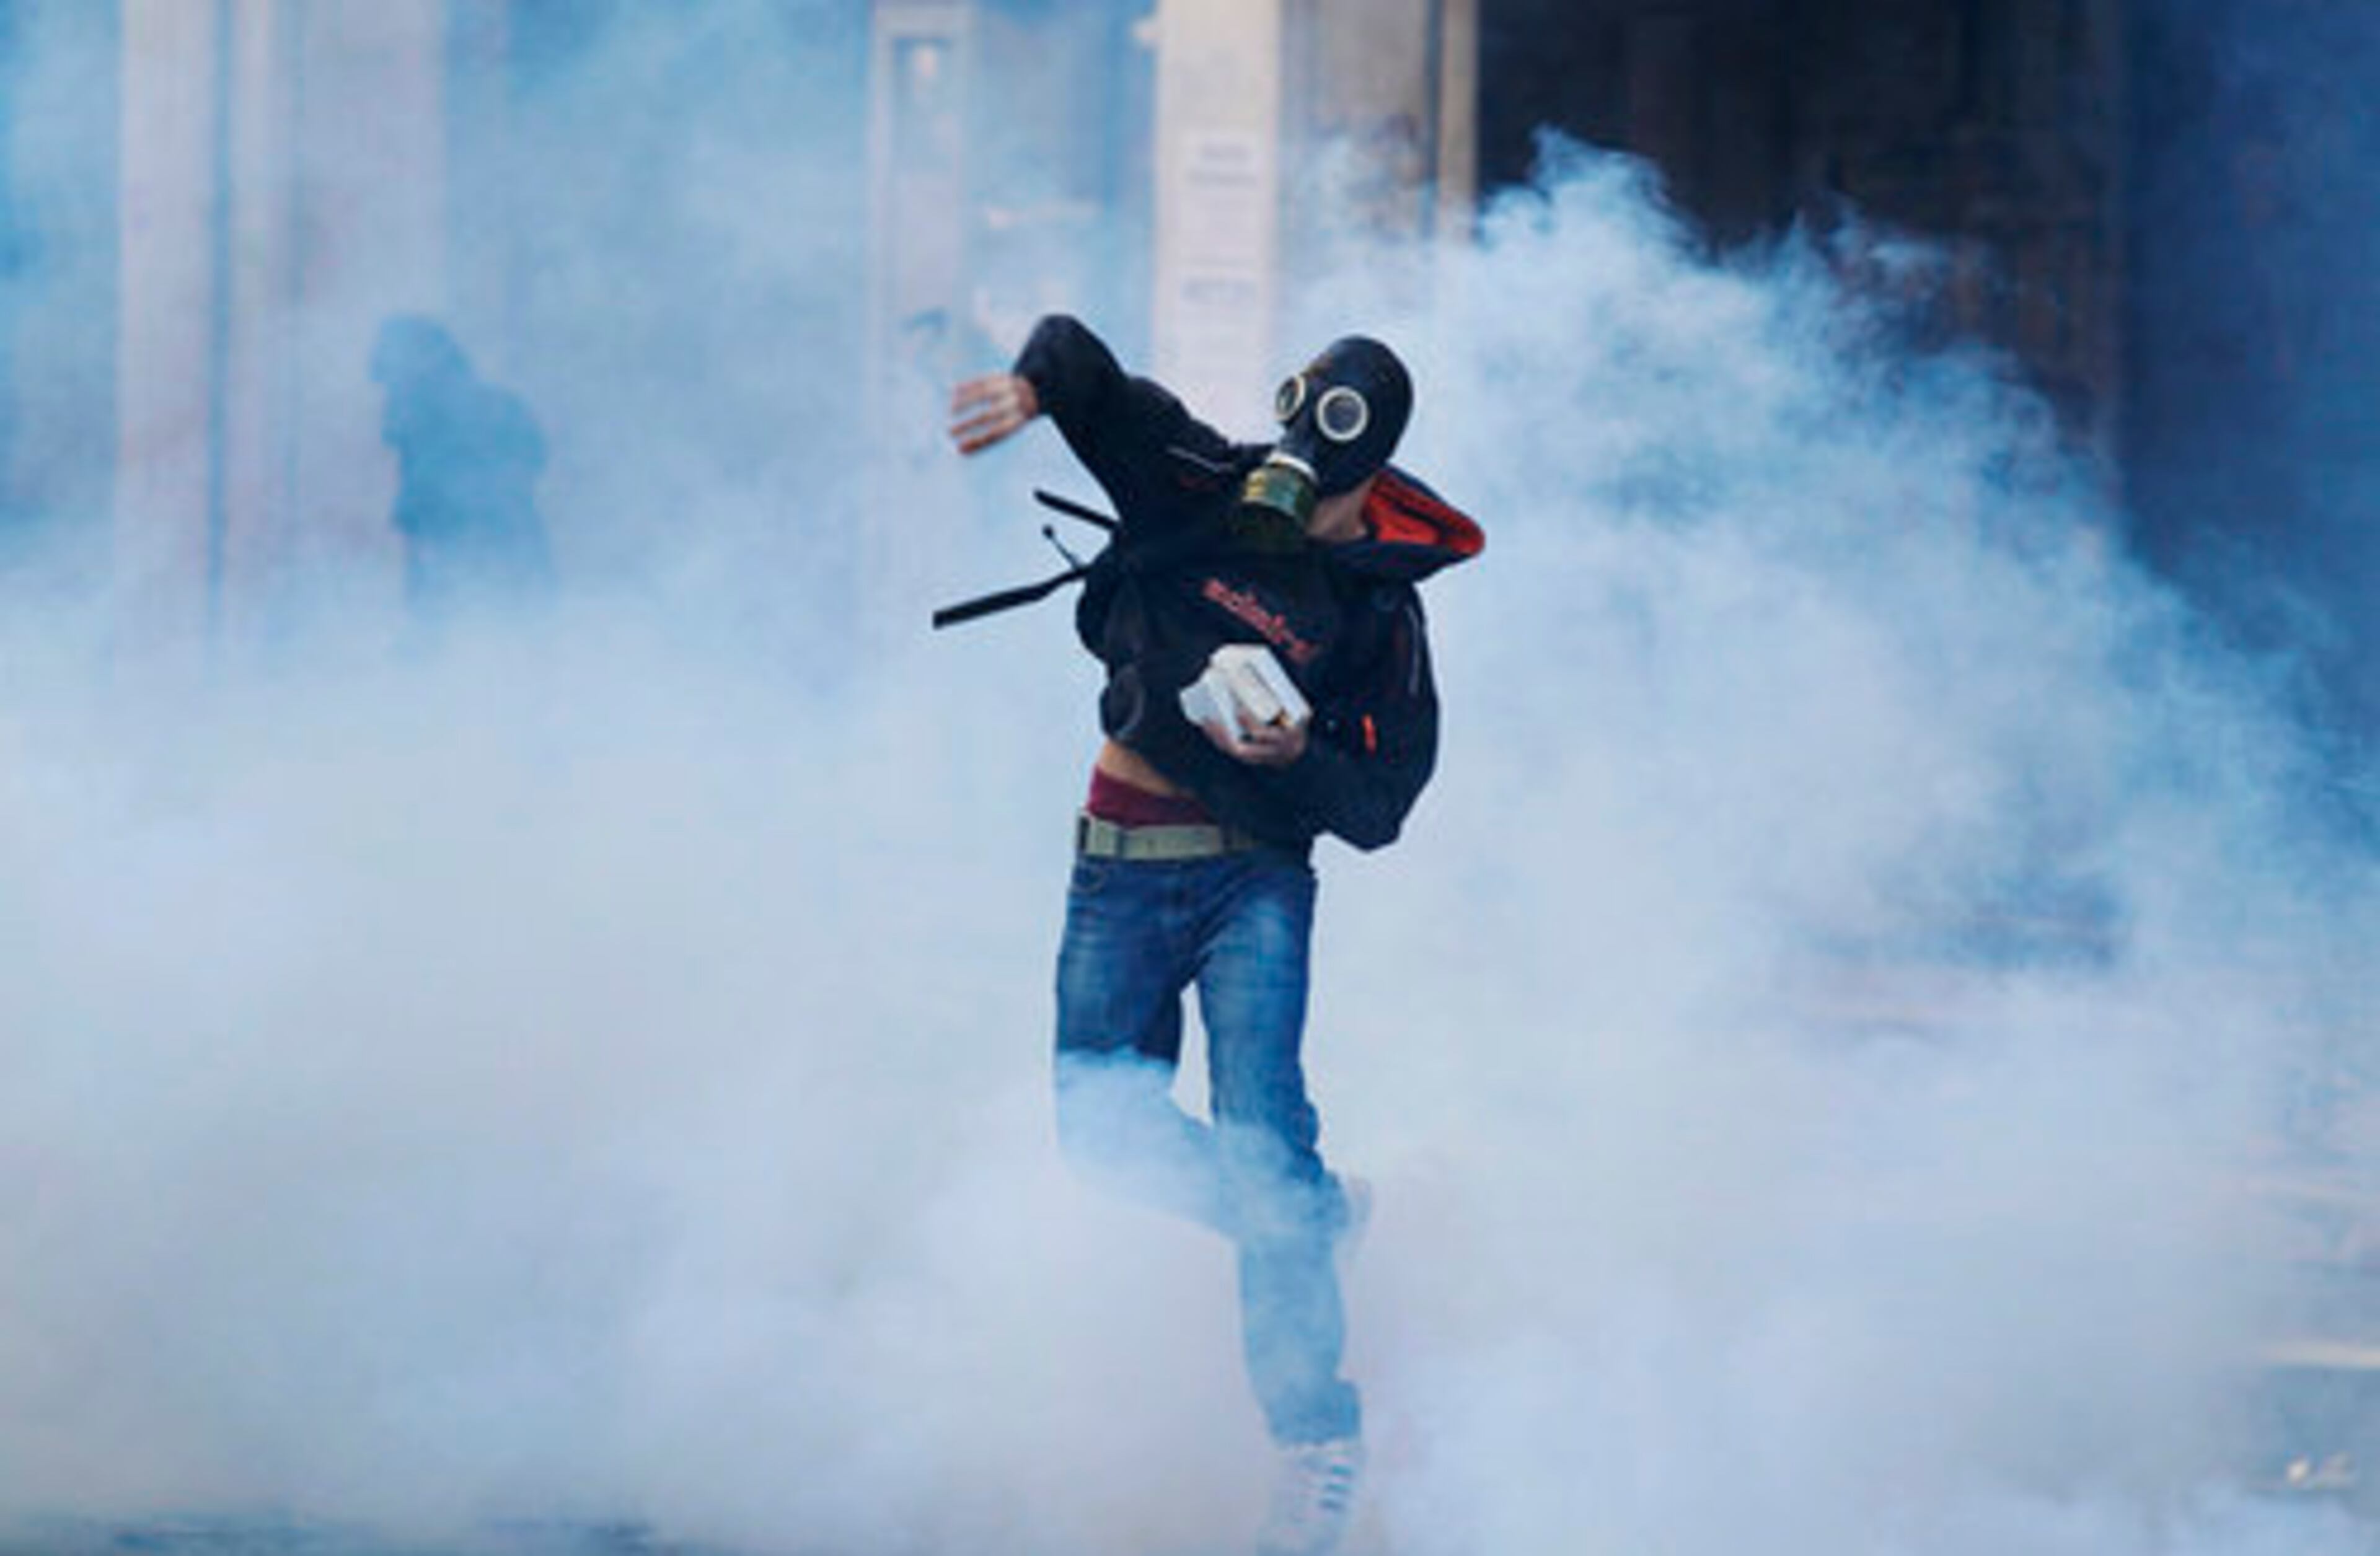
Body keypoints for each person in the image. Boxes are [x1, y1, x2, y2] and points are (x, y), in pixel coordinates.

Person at [948, 315, 1481, 1556]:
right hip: (1118, 868)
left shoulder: (1378, 614)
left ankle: (1316, 1443)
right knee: (1102, 1135)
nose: (1294, 480)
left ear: (1371, 480)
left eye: (1324, 465)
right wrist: (1032, 388)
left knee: (1255, 1133)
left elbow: (1386, 803)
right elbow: (1087, 366)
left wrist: (1296, 757)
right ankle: (1307, 1210)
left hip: (1255, 884)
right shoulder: (1197, 481)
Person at [369, 315, 554, 627]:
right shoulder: (499, 404)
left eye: (392, 380)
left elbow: (421, 505)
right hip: (517, 554)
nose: (389, 393)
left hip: (465, 562)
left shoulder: (423, 414)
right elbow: (535, 456)